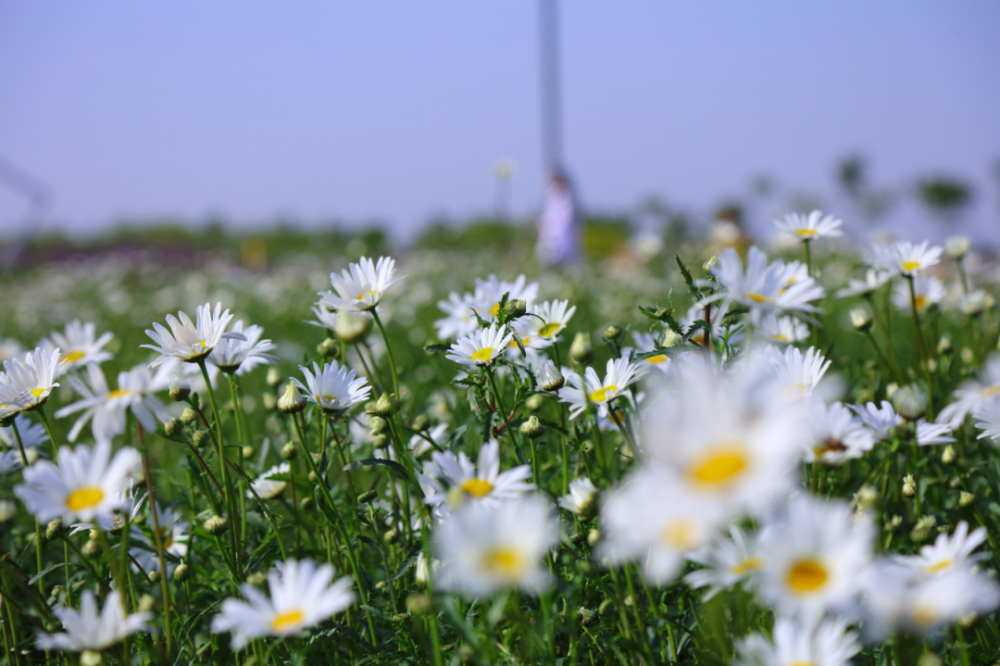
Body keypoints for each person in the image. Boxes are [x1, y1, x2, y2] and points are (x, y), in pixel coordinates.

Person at [536, 169, 581, 266]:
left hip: (563, 231)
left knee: (564, 253)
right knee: (548, 255)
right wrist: (542, 223)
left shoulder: (567, 196)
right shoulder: (552, 195)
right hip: (550, 231)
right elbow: (549, 213)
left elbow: (568, 217)